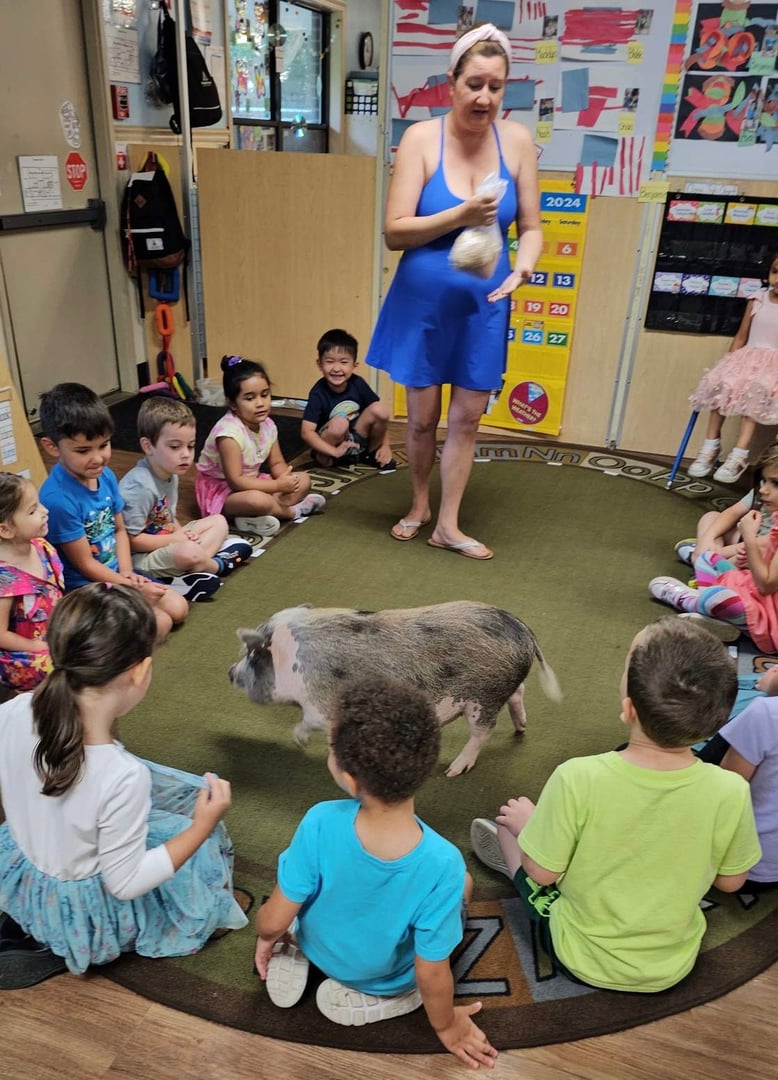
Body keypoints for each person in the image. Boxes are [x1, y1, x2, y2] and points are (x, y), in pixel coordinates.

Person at [470, 617, 761, 992]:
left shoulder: (578, 776)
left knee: (514, 826)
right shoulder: (730, 790)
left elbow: (543, 873)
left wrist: (532, 826)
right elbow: (730, 881)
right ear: (716, 722)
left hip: (580, 954)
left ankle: (513, 861)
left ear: (628, 709)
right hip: (673, 962)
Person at [0, 584, 248, 990]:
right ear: (140, 671)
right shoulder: (121, 776)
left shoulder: (13, 708)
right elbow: (126, 883)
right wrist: (201, 826)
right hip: (82, 908)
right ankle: (58, 942)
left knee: (180, 793)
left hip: (22, 865)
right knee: (196, 833)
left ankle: (29, 924)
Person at [254, 678, 498, 1070]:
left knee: (310, 903)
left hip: (316, 944)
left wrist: (268, 937)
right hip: (388, 974)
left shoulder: (319, 822)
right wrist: (449, 1026)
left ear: (350, 779)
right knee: (464, 886)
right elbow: (432, 970)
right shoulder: (443, 863)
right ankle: (398, 996)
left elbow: (275, 917)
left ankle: (300, 953)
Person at [365, 24, 542, 559]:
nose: (484, 96)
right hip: (423, 304)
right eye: (474, 84)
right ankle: (419, 503)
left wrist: (524, 269)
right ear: (452, 84)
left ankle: (448, 522)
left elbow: (531, 228)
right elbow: (395, 231)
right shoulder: (422, 138)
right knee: (420, 417)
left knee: (467, 416)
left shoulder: (517, 142)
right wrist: (461, 214)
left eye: (495, 86)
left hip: (483, 305)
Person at [38, 383, 187, 642]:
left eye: (104, 445)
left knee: (179, 609)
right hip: (86, 590)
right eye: (83, 450)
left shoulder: (104, 475)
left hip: (118, 573)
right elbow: (84, 564)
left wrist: (127, 573)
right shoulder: (58, 499)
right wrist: (128, 586)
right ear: (52, 447)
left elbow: (119, 529)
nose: (98, 458)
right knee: (160, 622)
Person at [118, 396, 254, 603]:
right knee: (189, 552)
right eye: (175, 447)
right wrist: (176, 539)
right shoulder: (139, 487)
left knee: (218, 521)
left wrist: (183, 532)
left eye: (190, 446)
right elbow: (131, 541)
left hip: (167, 542)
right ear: (148, 446)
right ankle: (218, 565)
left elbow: (167, 517)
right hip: (140, 559)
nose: (185, 455)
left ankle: (191, 571)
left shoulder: (169, 473)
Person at [650, 444, 778, 651]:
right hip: (756, 589)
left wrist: (748, 539)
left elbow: (766, 585)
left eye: (775, 483)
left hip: (768, 617)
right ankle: (713, 613)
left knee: (717, 596)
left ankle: (692, 601)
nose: (763, 489)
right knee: (707, 560)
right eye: (764, 481)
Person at [196, 356, 325, 535]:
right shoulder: (228, 434)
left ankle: (252, 518)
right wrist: (278, 487)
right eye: (250, 398)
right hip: (223, 491)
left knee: (303, 480)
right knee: (258, 501)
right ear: (233, 403)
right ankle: (290, 512)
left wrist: (286, 480)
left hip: (254, 482)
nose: (260, 403)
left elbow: (276, 464)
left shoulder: (268, 425)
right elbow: (236, 481)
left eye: (264, 395)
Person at [688, 251, 778, 483]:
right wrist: (727, 364)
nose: (777, 278)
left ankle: (739, 454)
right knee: (722, 386)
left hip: (773, 367)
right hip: (747, 357)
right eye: (775, 271)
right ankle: (711, 446)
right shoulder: (758, 298)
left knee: (756, 393)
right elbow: (741, 336)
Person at [0, 474, 63, 692]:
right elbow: (1, 635)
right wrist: (36, 647)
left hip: (53, 631)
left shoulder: (41, 546)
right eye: (33, 510)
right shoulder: (4, 579)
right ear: (5, 529)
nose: (45, 511)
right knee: (63, 668)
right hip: (21, 652)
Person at [301, 328, 396, 472]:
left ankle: (370, 453)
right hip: (332, 440)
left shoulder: (358, 384)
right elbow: (306, 432)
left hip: (356, 436)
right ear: (320, 364)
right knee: (340, 423)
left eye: (344, 362)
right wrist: (333, 451)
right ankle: (326, 456)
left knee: (380, 409)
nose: (337, 368)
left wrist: (385, 446)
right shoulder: (318, 392)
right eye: (330, 361)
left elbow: (380, 417)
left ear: (354, 366)